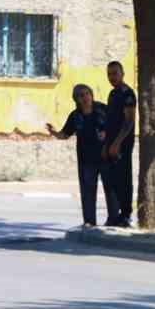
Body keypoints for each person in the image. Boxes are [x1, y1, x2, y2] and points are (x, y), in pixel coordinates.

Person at [47, 85, 114, 228]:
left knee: (111, 188)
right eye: (80, 95)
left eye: (87, 93)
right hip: (86, 159)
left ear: (91, 94)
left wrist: (108, 134)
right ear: (76, 99)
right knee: (88, 190)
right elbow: (65, 134)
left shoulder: (103, 109)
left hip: (106, 157)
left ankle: (114, 219)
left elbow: (116, 125)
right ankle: (89, 222)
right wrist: (53, 132)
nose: (85, 98)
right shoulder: (75, 116)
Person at [103, 60, 137, 227]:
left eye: (115, 73)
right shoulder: (113, 94)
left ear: (122, 74)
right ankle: (114, 215)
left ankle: (125, 215)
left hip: (122, 143)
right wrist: (106, 145)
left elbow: (129, 121)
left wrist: (116, 143)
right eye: (109, 74)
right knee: (112, 180)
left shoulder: (127, 94)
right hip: (111, 143)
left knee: (124, 179)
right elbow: (110, 122)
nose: (112, 77)